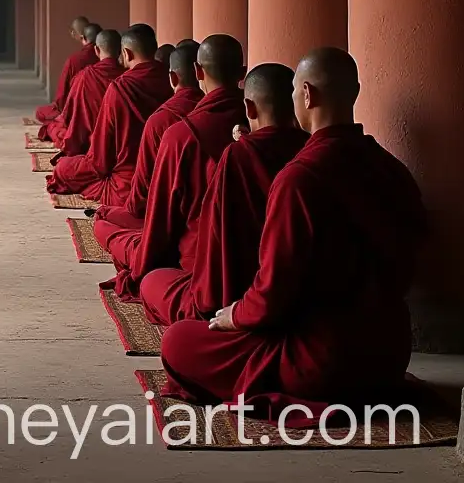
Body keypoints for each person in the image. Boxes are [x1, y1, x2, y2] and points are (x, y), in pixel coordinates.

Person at [160, 48, 426, 425]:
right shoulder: (391, 168)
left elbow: (272, 294)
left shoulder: (300, 177)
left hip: (323, 359)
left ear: (306, 95)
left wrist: (234, 314)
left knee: (178, 342)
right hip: (390, 352)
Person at [140, 63, 307, 325]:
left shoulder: (233, 155)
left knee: (151, 283)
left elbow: (211, 236)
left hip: (239, 300)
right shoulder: (309, 151)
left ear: (249, 107)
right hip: (301, 300)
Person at [96, 34, 246, 301]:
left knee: (111, 230)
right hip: (255, 271)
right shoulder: (260, 127)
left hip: (198, 265)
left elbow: (153, 217)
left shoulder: (180, 133)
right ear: (242, 73)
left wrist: (141, 270)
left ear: (198, 72)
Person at [46, 24, 173, 201]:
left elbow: (99, 162)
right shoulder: (172, 80)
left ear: (126, 53)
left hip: (127, 181)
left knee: (63, 169)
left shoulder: (120, 87)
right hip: (168, 177)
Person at [92, 41, 203, 229]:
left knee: (103, 224)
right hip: (223, 225)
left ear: (173, 78)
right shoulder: (237, 117)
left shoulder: (161, 120)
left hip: (168, 220)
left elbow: (100, 161)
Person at [42, 27, 122, 157]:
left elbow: (68, 111)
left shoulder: (84, 76)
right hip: (121, 146)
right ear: (121, 51)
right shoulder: (128, 76)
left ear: (96, 50)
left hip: (91, 144)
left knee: (53, 127)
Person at [34, 16, 96, 124]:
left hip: (78, 113)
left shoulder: (74, 60)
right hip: (103, 111)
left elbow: (61, 98)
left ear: (76, 34)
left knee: (41, 112)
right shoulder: (111, 58)